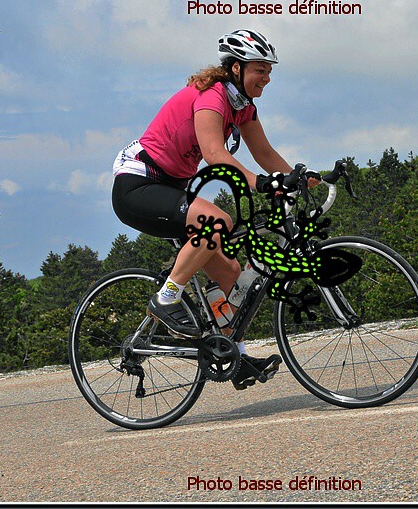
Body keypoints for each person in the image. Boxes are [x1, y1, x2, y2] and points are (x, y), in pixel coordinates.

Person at [112, 29, 297, 391]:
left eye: (269, 71)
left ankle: (234, 357)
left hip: (171, 188)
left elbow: (265, 153)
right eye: (260, 70)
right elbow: (215, 154)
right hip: (138, 184)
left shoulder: (242, 107)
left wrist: (301, 179)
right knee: (217, 221)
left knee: (232, 276)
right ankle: (166, 298)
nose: (267, 78)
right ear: (236, 69)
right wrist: (261, 183)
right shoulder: (212, 96)